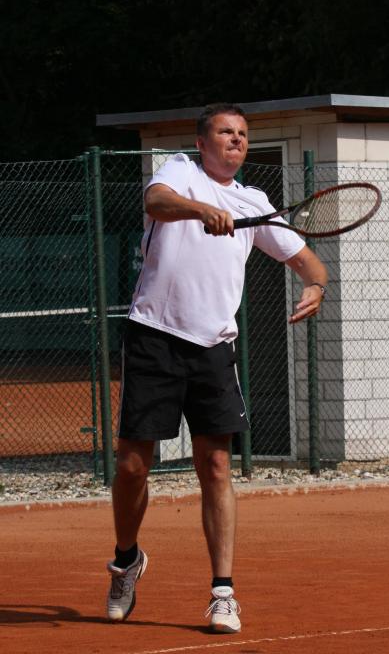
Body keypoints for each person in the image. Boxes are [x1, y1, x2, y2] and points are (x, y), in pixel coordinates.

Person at [106, 103, 328, 633]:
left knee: (216, 466)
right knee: (133, 466)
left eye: (243, 134)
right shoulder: (180, 171)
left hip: (213, 349)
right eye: (226, 132)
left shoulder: (254, 203)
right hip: (154, 337)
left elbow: (305, 260)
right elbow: (156, 202)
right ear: (203, 142)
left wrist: (316, 285)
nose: (236, 140)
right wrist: (200, 210)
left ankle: (223, 592)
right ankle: (126, 560)